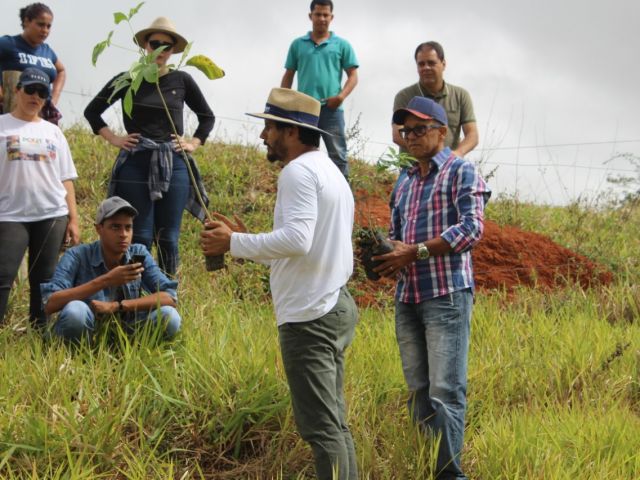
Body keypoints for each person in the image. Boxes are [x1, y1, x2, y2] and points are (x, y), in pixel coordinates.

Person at [200, 88, 359, 480]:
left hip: (310, 317)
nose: (262, 136)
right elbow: (306, 241)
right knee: (335, 425)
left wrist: (233, 243)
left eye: (269, 127)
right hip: (333, 303)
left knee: (322, 430)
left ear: (291, 131)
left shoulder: (298, 172)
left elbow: (298, 240)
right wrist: (248, 239)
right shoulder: (330, 171)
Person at [374, 96, 490, 479]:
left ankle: (450, 474)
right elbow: (396, 235)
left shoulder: (461, 171)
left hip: (446, 295)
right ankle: (430, 467)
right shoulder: (404, 180)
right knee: (419, 391)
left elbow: (471, 229)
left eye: (421, 129)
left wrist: (416, 252)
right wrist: (384, 254)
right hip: (407, 296)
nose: (412, 137)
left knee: (445, 391)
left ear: (443, 131)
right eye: (407, 131)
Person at [84, 16, 214, 276]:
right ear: (145, 44)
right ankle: (135, 296)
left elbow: (207, 117)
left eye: (167, 46)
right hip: (136, 161)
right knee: (140, 235)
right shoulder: (129, 78)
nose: (161, 51)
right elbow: (93, 111)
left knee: (168, 237)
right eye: (155, 44)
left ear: (173, 50)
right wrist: (115, 139)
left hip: (173, 161)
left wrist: (193, 143)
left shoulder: (182, 80)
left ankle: (167, 296)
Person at [41, 196, 181, 343]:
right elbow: (50, 303)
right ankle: (78, 357)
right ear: (99, 229)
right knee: (76, 311)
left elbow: (169, 297)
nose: (123, 234)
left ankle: (136, 355)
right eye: (115, 227)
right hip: (89, 330)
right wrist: (106, 280)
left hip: (128, 331)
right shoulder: (77, 255)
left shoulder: (138, 252)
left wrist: (118, 306)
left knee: (169, 316)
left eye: (128, 227)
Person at [0, 68, 79, 327]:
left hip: (51, 214)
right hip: (9, 214)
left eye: (42, 92)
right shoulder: (2, 125)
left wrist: (73, 219)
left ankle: (40, 337)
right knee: (3, 276)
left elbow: (65, 178)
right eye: (31, 89)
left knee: (44, 281)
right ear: (17, 90)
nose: (35, 96)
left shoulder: (53, 132)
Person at [280, 0, 358, 179]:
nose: (322, 18)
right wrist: (284, 103)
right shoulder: (298, 44)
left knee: (338, 155)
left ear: (331, 17)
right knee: (301, 153)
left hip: (332, 110)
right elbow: (289, 74)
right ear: (310, 16)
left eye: (325, 15)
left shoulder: (342, 45)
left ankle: (344, 198)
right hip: (304, 110)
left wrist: (340, 97)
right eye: (318, 14)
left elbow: (353, 76)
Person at [393, 41, 478, 158]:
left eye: (431, 63)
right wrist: (423, 154)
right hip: (412, 169)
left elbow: (472, 134)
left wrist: (458, 153)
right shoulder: (404, 96)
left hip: (447, 169)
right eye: (421, 64)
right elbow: (397, 135)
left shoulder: (460, 95)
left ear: (443, 64)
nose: (426, 68)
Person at [0, 2, 65, 123]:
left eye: (48, 26)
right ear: (26, 21)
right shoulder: (8, 43)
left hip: (41, 114)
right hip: (9, 113)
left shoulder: (47, 51)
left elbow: (61, 70)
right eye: (40, 24)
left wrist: (54, 98)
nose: (45, 30)